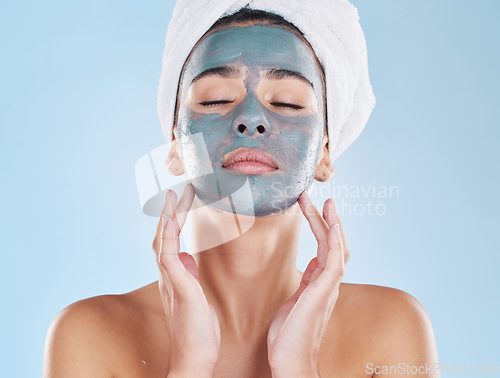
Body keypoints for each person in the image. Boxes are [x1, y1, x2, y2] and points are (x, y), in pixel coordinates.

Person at [43, 4, 440, 378]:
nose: (251, 118)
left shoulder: (391, 330)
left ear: (324, 154)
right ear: (176, 148)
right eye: (216, 99)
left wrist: (298, 366)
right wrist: (189, 365)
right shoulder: (89, 336)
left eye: (287, 103)